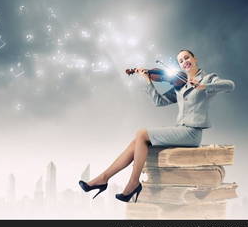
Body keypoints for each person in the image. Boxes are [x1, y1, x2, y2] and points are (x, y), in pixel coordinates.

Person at [79, 49, 235, 202]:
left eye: (186, 58)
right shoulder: (180, 86)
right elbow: (159, 101)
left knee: (141, 134)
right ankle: (103, 178)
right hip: (180, 129)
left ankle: (133, 183)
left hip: (192, 133)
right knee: (137, 142)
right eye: (180, 61)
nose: (184, 62)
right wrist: (148, 81)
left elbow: (229, 85)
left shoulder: (207, 78)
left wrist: (203, 86)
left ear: (195, 59)